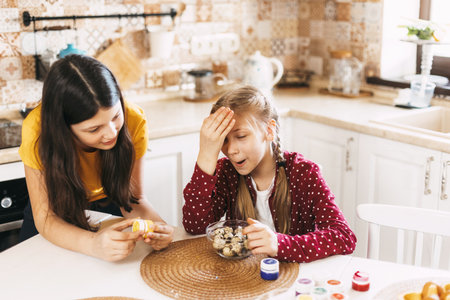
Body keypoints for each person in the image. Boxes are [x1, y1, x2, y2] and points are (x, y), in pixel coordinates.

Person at [19, 54, 173, 262]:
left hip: (108, 203)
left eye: (116, 117)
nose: (111, 133)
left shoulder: (134, 118)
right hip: (54, 215)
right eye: (94, 129)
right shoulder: (37, 131)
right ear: (63, 128)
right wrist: (92, 244)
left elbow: (134, 200)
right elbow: (46, 218)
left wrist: (160, 230)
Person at [182, 86, 356, 263]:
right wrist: (206, 156)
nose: (231, 150)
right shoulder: (227, 172)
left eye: (241, 136)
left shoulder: (303, 173)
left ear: (269, 131)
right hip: (245, 276)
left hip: (295, 277)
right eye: (224, 140)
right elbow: (195, 225)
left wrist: (280, 244)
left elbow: (343, 236)